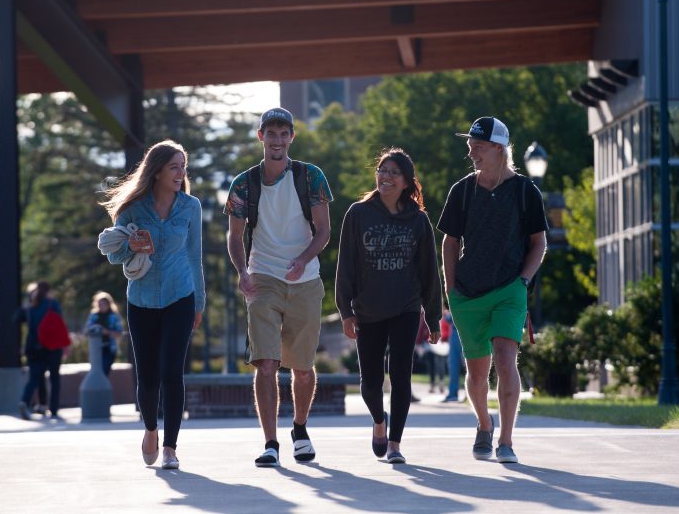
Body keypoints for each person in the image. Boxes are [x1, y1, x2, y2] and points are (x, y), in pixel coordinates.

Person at [224, 107, 332, 468]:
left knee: (302, 368)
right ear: (261, 137)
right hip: (263, 277)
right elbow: (235, 236)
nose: (277, 140)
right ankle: (270, 442)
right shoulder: (244, 184)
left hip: (305, 279)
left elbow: (324, 231)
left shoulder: (311, 177)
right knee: (266, 364)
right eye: (270, 133)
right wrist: (242, 271)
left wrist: (303, 259)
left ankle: (299, 429)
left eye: (283, 133)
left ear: (291, 138)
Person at [438, 116, 547, 464]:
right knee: (477, 374)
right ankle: (484, 424)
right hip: (467, 294)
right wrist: (451, 290)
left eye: (479, 147)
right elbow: (449, 243)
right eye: (470, 146)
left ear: (499, 149)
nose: (471, 152)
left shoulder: (526, 191)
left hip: (510, 290)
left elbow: (538, 243)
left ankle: (506, 440)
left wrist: (524, 281)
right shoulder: (463, 190)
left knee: (504, 357)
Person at [101, 140, 205, 471]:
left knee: (172, 372)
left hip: (180, 297)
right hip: (142, 300)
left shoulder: (191, 207)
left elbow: (194, 256)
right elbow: (115, 255)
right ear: (157, 170)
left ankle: (171, 448)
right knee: (147, 377)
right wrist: (130, 244)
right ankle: (150, 430)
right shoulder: (133, 210)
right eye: (174, 166)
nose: (181, 173)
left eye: (183, 167)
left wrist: (199, 302)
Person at [335, 148, 442, 465]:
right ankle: (378, 422)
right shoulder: (358, 214)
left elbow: (428, 271)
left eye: (394, 172)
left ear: (407, 181)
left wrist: (433, 318)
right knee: (369, 383)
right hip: (368, 310)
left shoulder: (418, 220)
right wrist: (346, 310)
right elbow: (346, 266)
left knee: (401, 376)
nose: (386, 176)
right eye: (382, 170)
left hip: (406, 308)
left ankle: (394, 443)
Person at [15, 280, 64, 420]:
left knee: (34, 378)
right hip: (53, 347)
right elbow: (60, 322)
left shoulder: (31, 306)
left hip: (35, 346)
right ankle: (53, 409)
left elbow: (17, 320)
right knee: (54, 378)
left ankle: (24, 401)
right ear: (48, 291)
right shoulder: (52, 304)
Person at [83, 291, 124, 377]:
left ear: (109, 304)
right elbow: (86, 331)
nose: (102, 306)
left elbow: (119, 333)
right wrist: (95, 329)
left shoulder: (114, 316)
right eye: (100, 304)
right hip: (96, 349)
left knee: (104, 371)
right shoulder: (94, 316)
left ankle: (102, 389)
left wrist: (107, 332)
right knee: (96, 372)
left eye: (104, 303)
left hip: (109, 348)